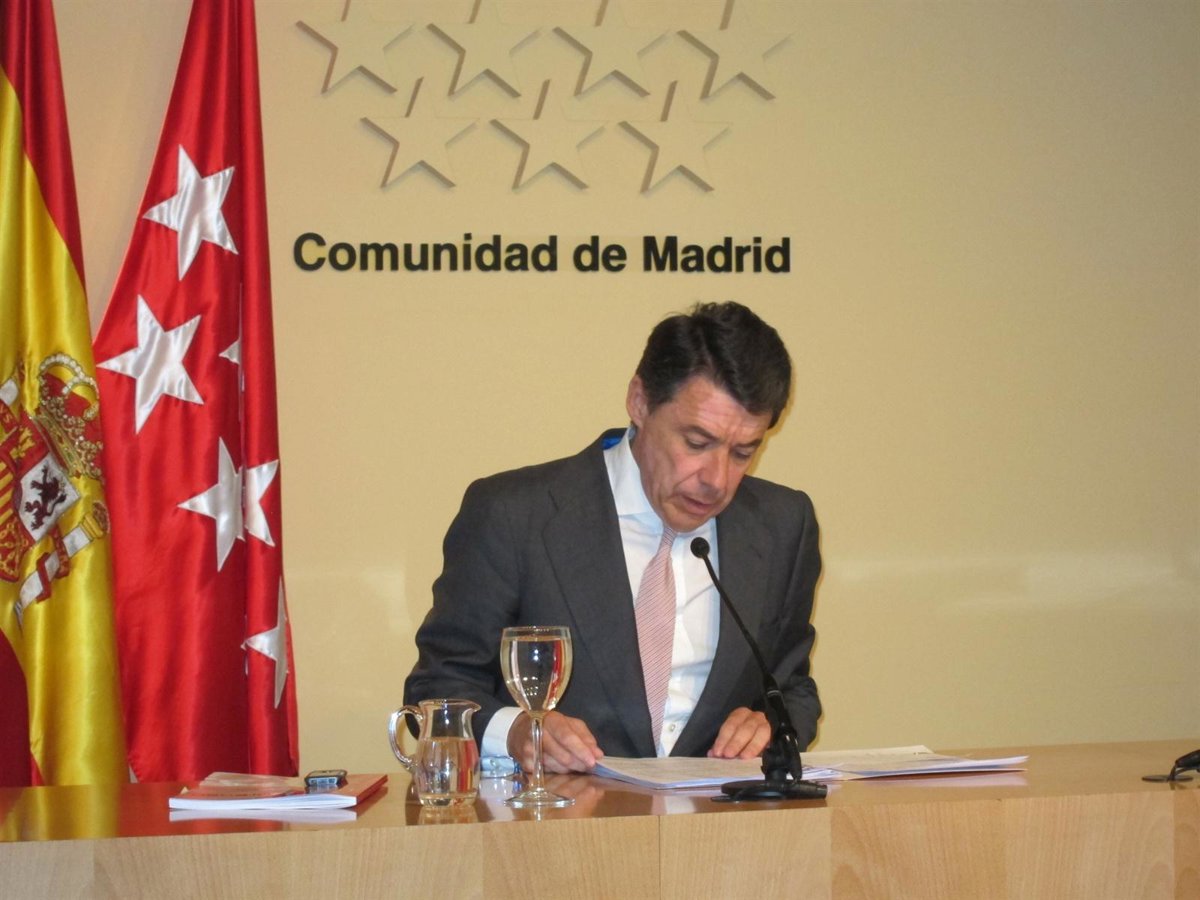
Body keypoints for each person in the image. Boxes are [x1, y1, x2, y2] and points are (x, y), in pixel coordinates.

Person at [404, 301, 821, 774]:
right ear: (639, 402)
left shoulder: (783, 525)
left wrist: (770, 723)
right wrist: (517, 731)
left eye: (743, 452)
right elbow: (436, 689)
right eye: (696, 443)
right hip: (555, 812)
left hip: (716, 815)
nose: (717, 480)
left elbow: (792, 688)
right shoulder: (516, 515)